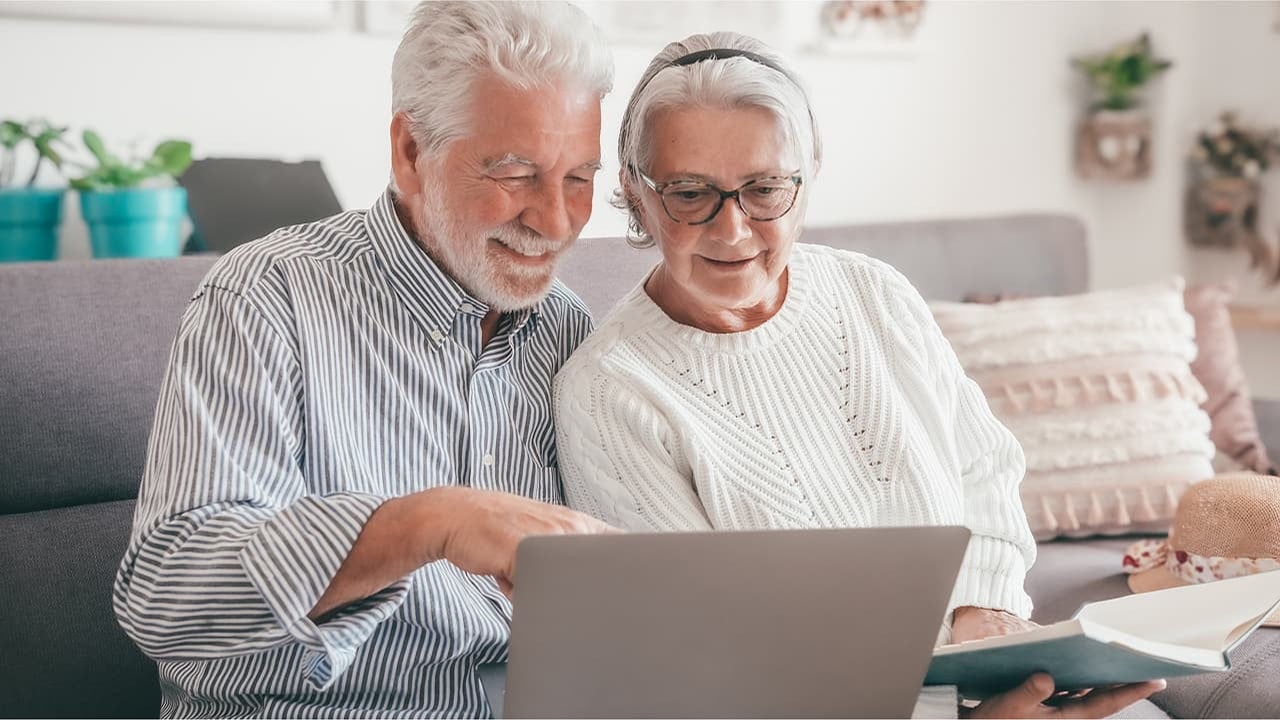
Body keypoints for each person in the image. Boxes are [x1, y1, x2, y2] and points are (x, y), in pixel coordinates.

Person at [552, 31, 1165, 718]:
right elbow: (707, 658)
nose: (732, 230)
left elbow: (986, 470)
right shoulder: (608, 393)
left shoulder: (875, 293)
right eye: (690, 194)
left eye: (764, 189)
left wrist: (984, 617)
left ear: (808, 175)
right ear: (635, 191)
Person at [112, 2, 618, 717]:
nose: (557, 221)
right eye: (515, 174)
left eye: (579, 178)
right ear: (410, 152)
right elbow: (166, 599)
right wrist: (427, 523)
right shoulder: (269, 296)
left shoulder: (565, 326)